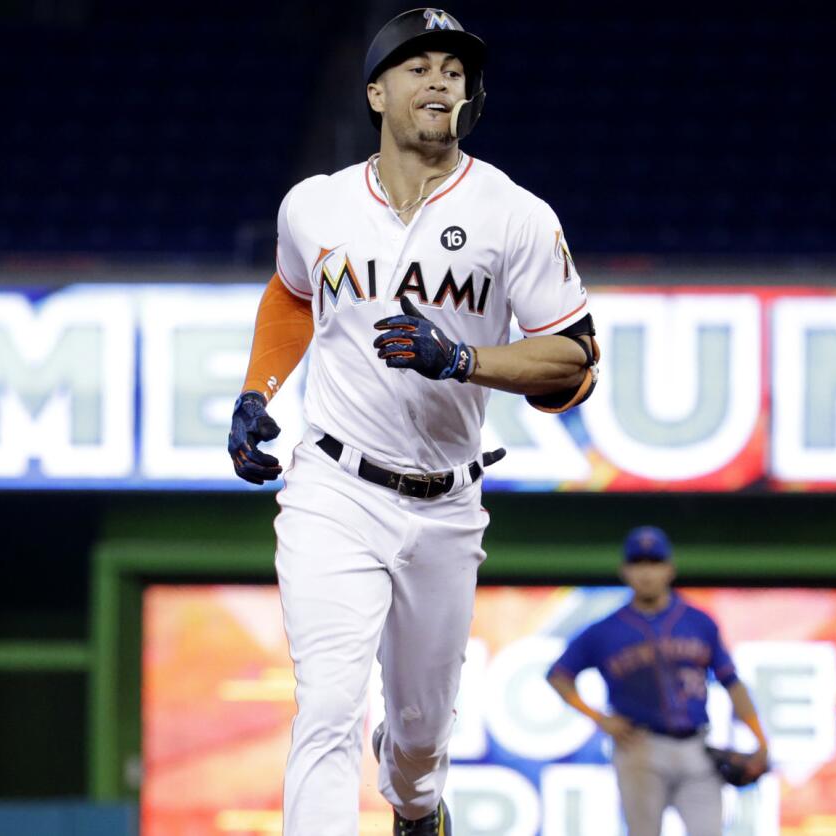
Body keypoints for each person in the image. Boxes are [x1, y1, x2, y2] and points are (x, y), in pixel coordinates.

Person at [226, 8, 601, 834]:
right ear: (375, 92)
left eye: (455, 71)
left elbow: (575, 359)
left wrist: (463, 358)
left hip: (444, 504)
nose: (441, 80)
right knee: (326, 702)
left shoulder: (514, 214)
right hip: (332, 486)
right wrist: (259, 392)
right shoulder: (314, 207)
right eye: (420, 65)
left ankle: (418, 808)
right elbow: (292, 292)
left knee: (422, 743)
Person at [546, 526, 770, 836]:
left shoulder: (698, 621)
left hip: (697, 747)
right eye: (638, 563)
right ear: (625, 571)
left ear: (670, 569)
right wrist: (599, 718)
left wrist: (760, 738)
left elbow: (732, 682)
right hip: (640, 746)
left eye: (654, 562)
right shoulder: (606, 630)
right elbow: (558, 676)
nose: (646, 572)